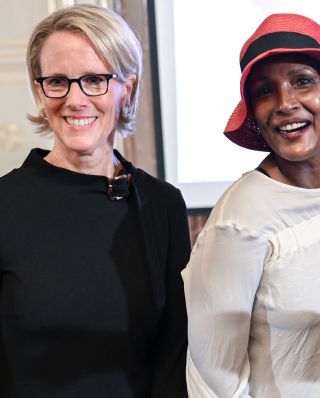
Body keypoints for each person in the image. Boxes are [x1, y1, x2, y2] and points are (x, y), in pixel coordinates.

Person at [182, 13, 320, 397]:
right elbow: (211, 379)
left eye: (302, 81)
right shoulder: (239, 222)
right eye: (266, 90)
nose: (285, 103)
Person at [0, 4, 190, 398]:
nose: (75, 99)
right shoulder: (5, 204)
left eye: (94, 79)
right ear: (40, 90)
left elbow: (172, 356)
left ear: (128, 89)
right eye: (57, 81)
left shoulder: (162, 204)